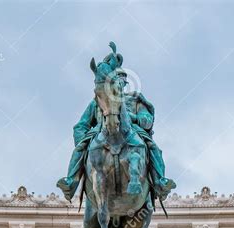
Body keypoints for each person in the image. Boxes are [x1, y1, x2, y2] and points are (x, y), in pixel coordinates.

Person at [57, 47, 175, 202]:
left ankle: (160, 182)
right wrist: (83, 140)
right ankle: (71, 181)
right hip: (100, 132)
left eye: (121, 79)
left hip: (133, 132)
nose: (118, 82)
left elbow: (147, 121)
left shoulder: (135, 99)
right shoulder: (97, 102)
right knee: (80, 149)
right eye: (115, 79)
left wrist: (133, 117)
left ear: (125, 82)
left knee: (153, 148)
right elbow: (81, 125)